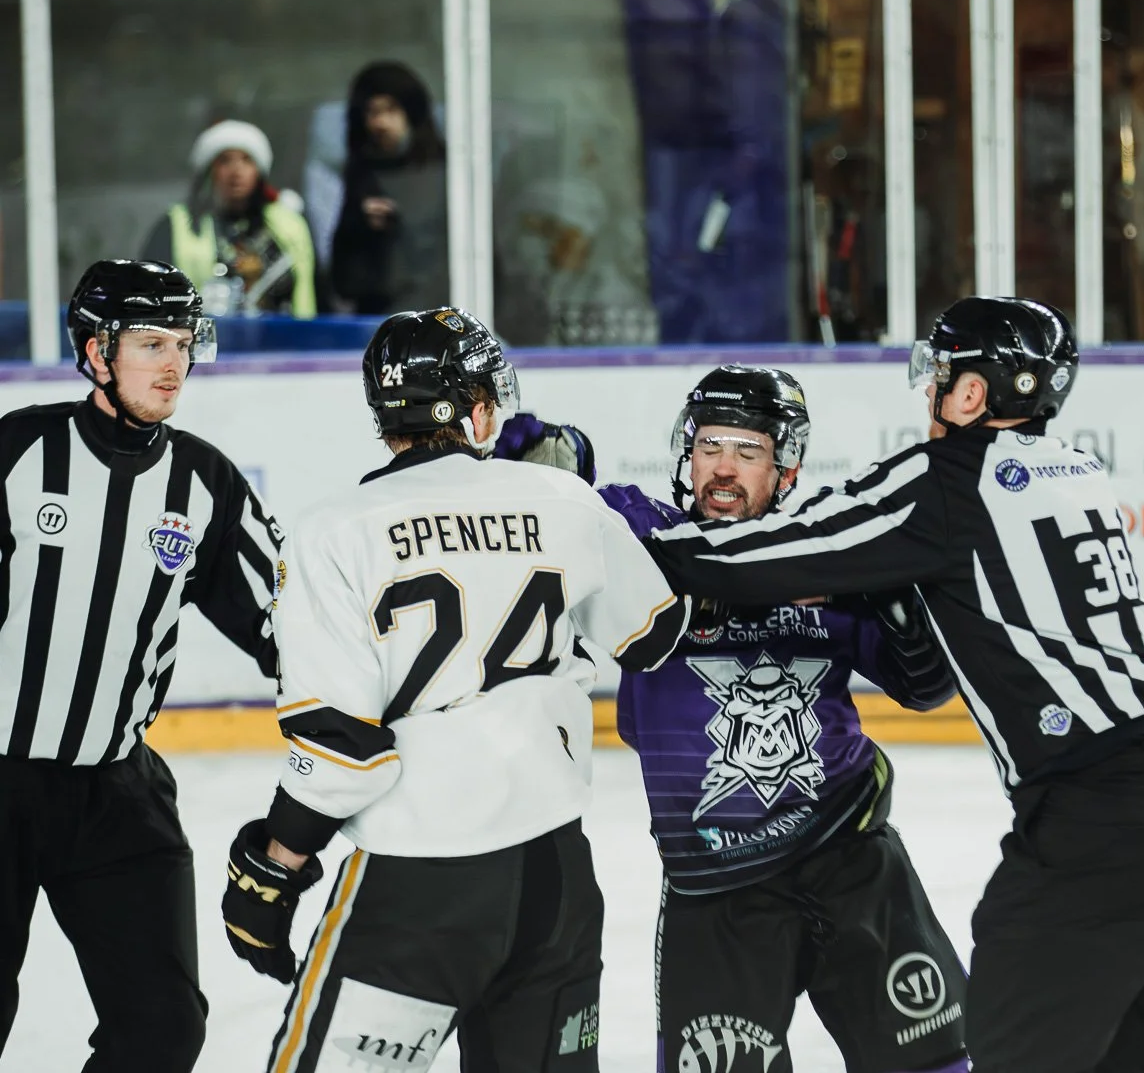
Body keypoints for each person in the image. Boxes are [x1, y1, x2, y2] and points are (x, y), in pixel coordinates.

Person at [641, 298, 1144, 1073]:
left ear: (973, 395)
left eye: (940, 376)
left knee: (1009, 1046)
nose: (929, 394)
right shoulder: (1077, 473)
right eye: (710, 445)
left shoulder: (945, 480)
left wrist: (649, 545)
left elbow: (781, 554)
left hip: (1091, 817)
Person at [220, 307, 690, 1073]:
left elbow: (342, 753)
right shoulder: (562, 498)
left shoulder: (332, 532)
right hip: (555, 878)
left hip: (418, 883)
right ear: (476, 408)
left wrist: (275, 865)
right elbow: (656, 635)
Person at [496, 365, 972, 1073]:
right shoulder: (643, 535)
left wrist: (901, 604)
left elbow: (925, 686)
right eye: (710, 446)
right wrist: (542, 466)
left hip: (852, 858)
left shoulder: (824, 549)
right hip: (714, 890)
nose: (723, 468)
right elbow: (546, 497)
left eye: (748, 451)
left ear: (786, 469)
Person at [0, 259, 282, 1071]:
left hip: (117, 795)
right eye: (151, 343)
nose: (174, 365)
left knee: (162, 1028)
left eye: (185, 344)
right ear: (94, 353)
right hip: (1, 783)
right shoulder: (19, 453)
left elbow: (288, 625)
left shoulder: (205, 483)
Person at [141, 119, 320, 318]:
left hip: (285, 342)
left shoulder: (289, 226)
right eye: (225, 160)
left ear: (258, 171)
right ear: (210, 170)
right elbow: (149, 295)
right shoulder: (177, 225)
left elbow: (316, 291)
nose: (236, 171)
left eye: (247, 160)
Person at [330, 61, 451, 314]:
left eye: (391, 110)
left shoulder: (448, 174)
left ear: (411, 112)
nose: (381, 123)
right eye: (372, 112)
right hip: (382, 321)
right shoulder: (362, 176)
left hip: (442, 317)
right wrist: (362, 227)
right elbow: (343, 278)